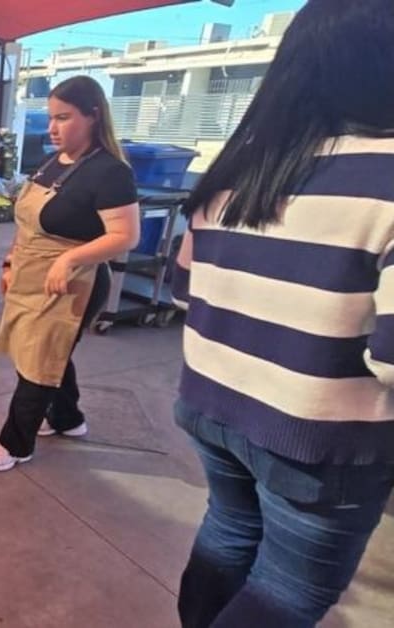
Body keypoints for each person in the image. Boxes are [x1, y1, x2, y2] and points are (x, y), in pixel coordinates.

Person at [170, 1, 394, 625]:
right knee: (288, 591)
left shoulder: (239, 170)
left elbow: (184, 289)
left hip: (213, 405)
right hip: (314, 437)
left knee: (229, 530)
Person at [0, 76, 140, 472]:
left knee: (40, 358)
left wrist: (68, 260)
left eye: (63, 118)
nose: (52, 127)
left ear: (93, 116)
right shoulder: (53, 162)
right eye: (50, 117)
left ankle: (15, 443)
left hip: (72, 284)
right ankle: (68, 417)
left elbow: (125, 236)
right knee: (43, 352)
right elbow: (27, 224)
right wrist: (10, 262)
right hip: (30, 275)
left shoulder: (110, 172)